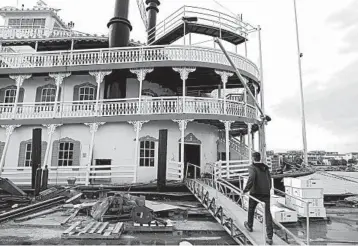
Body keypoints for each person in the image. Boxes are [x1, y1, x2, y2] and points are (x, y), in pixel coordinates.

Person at [243, 152, 274, 245]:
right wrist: (268, 188)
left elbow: (251, 178)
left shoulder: (252, 167)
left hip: (255, 192)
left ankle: (249, 225)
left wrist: (245, 190)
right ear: (259, 158)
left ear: (253, 158)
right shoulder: (266, 167)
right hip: (266, 193)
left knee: (251, 208)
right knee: (267, 213)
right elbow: (269, 179)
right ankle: (269, 237)